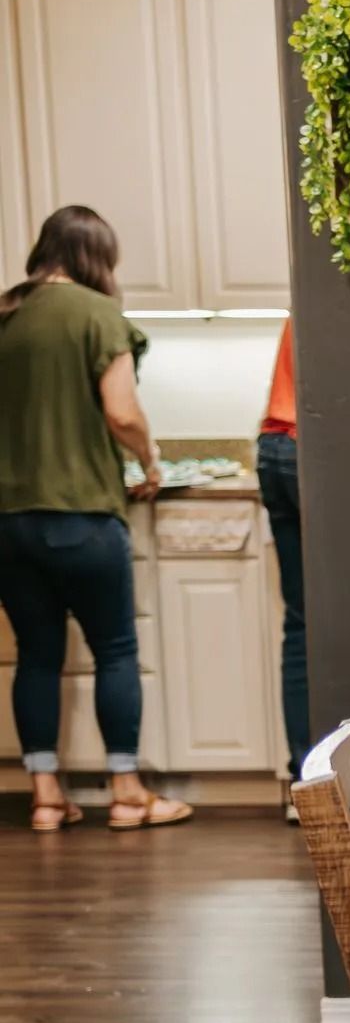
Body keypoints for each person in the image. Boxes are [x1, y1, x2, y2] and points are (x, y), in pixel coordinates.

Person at [0, 205, 191, 831]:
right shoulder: (98, 314)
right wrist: (150, 458)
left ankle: (47, 798)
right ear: (94, 259)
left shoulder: (6, 314)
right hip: (84, 516)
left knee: (35, 656)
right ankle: (127, 792)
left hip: (11, 522)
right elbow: (121, 411)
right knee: (114, 651)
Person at [255, 315, 307, 785]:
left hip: (273, 445)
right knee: (334, 614)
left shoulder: (303, 292)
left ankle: (305, 779)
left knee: (301, 623)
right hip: (304, 445)